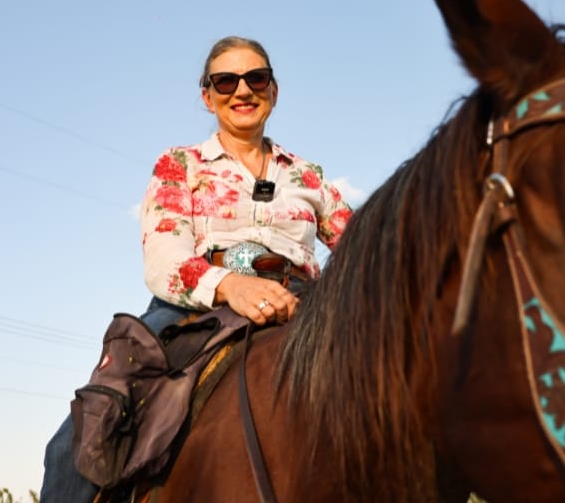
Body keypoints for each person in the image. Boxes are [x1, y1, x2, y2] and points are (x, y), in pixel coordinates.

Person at [40, 36, 353, 502]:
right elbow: (164, 254)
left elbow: (362, 243)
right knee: (75, 440)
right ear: (208, 96)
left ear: (273, 90)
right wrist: (231, 285)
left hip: (302, 301)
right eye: (226, 80)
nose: (242, 90)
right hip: (196, 306)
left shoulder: (307, 176)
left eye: (256, 78)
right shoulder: (180, 164)